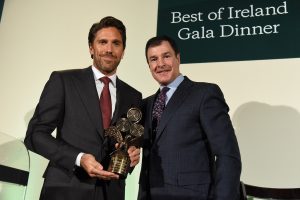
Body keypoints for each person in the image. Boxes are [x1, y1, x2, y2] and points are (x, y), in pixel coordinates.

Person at [24, 16, 142, 200]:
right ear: (91, 48)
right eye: (103, 42)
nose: (109, 49)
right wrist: (79, 158)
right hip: (65, 189)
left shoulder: (133, 96)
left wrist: (132, 158)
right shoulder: (63, 81)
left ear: (123, 51)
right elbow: (35, 135)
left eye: (116, 43)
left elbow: (126, 146)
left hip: (111, 193)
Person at [138, 35, 242, 200]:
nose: (160, 64)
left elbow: (227, 155)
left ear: (178, 58)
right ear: (149, 65)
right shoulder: (145, 104)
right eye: (153, 59)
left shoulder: (204, 94)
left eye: (166, 56)